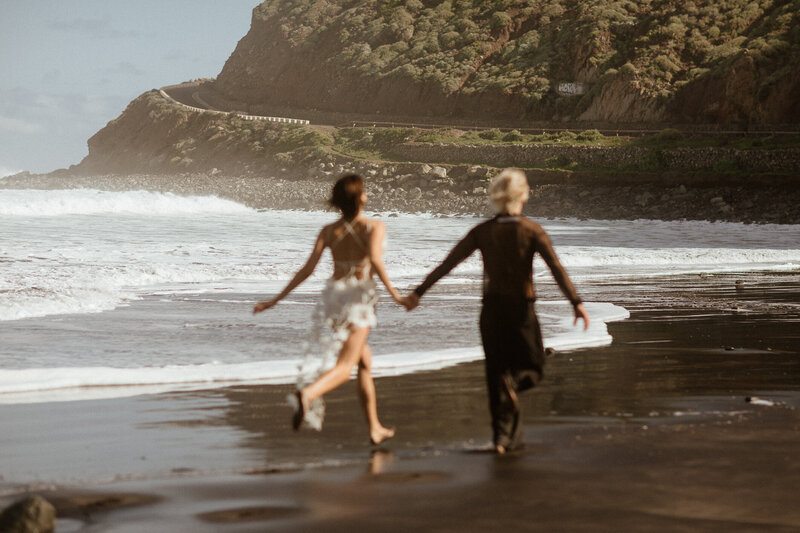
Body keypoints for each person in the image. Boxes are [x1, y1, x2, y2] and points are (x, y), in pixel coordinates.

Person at [403, 168, 590, 454]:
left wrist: (418, 293)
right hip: (520, 309)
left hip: (490, 310)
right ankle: (513, 388)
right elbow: (556, 269)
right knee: (534, 367)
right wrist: (576, 303)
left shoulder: (482, 231)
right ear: (523, 196)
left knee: (495, 373)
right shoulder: (531, 231)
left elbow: (447, 264)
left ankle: (502, 441)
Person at [253, 174, 404, 445]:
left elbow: (307, 270)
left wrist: (275, 300)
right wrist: (398, 296)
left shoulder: (329, 230)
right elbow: (376, 262)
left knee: (364, 361)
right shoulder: (373, 227)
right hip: (358, 299)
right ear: (361, 197)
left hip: (334, 299)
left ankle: (375, 428)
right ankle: (308, 395)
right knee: (346, 366)